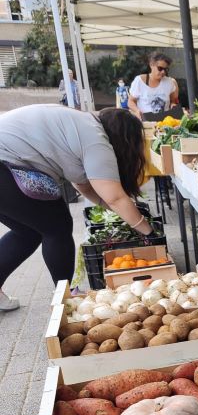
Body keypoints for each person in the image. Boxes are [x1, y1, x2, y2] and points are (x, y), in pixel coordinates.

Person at [0, 105, 153, 311]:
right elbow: (115, 196)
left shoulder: (82, 124)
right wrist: (149, 232)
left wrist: (114, 209)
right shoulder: (96, 138)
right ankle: (66, 297)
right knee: (57, 227)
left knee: (27, 232)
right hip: (4, 162)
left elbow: (83, 185)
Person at [128, 52, 180, 120]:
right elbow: (130, 101)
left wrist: (173, 105)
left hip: (164, 122)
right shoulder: (139, 81)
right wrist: (137, 111)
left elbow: (173, 100)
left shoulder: (169, 82)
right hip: (145, 121)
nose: (163, 72)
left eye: (166, 69)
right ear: (151, 65)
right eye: (160, 68)